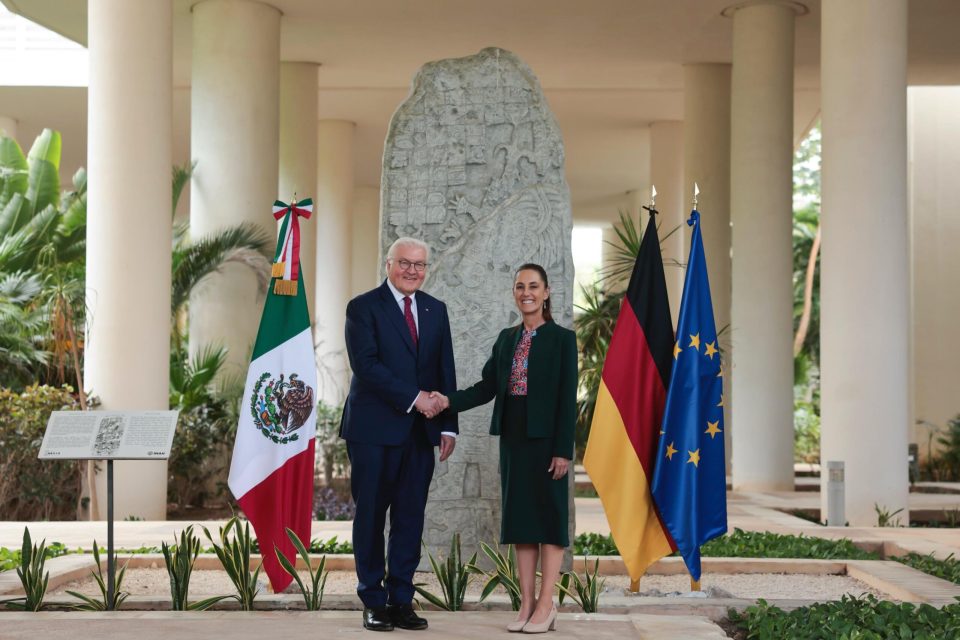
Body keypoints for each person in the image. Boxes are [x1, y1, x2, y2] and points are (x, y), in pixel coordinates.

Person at [433, 263, 577, 634]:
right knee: (523, 523)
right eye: (519, 286)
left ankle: (547, 604)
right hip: (514, 441)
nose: (526, 292)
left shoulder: (563, 339)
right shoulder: (505, 338)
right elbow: (485, 388)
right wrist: (446, 401)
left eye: (533, 286)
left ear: (546, 292)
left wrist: (563, 450)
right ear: (514, 293)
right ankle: (527, 603)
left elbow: (566, 399)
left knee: (550, 519)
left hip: (548, 444)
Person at [341, 237, 457, 632]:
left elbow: (445, 368)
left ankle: (402, 600)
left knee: (410, 518)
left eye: (420, 265)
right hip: (373, 431)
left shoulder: (435, 309)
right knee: (371, 517)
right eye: (405, 263)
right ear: (388, 264)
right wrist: (415, 398)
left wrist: (448, 424)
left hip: (421, 433)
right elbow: (367, 366)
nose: (412, 271)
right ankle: (373, 600)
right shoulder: (363, 307)